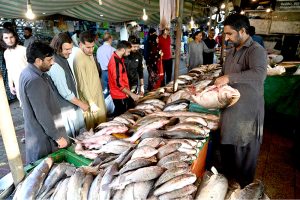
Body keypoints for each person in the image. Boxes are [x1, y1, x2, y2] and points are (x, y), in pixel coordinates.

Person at [214, 14, 267, 188]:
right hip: (231, 111)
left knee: (244, 156)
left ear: (242, 31)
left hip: (247, 115)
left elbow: (259, 74)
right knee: (229, 152)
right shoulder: (232, 51)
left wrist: (229, 77)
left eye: (229, 34)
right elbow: (223, 74)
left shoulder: (256, 50)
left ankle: (244, 189)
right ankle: (229, 186)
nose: (226, 38)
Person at [19, 41, 69, 164]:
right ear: (38, 61)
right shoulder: (34, 80)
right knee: (46, 167)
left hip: (41, 132)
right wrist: (57, 137)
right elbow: (42, 113)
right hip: (43, 136)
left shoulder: (29, 72)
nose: (52, 62)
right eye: (49, 60)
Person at [47, 32, 88, 137]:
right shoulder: (55, 64)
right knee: (70, 137)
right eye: (66, 49)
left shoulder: (61, 58)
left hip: (69, 108)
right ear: (57, 47)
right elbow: (65, 92)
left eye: (71, 48)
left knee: (75, 135)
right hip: (65, 110)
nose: (70, 52)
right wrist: (81, 104)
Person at [73, 31, 107, 130]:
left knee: (103, 126)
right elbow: (82, 85)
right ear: (80, 45)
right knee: (94, 131)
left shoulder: (90, 54)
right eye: (88, 47)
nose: (91, 50)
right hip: (90, 101)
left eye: (93, 47)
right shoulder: (79, 59)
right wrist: (91, 103)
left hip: (98, 95)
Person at [108, 40, 140, 116]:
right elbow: (118, 84)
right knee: (121, 115)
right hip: (119, 95)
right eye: (128, 51)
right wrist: (132, 94)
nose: (129, 53)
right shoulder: (116, 63)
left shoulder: (119, 58)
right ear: (122, 50)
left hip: (122, 93)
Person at [1, 28, 27, 103]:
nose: (9, 40)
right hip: (17, 83)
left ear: (15, 37)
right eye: (6, 38)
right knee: (23, 105)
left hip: (29, 82)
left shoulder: (24, 50)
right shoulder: (6, 53)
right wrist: (11, 85)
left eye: (11, 37)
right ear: (2, 39)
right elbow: (9, 69)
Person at [96, 32, 116, 99]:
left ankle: (106, 106)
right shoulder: (113, 50)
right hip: (112, 72)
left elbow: (98, 61)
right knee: (114, 90)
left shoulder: (99, 49)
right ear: (110, 39)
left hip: (103, 73)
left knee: (105, 91)